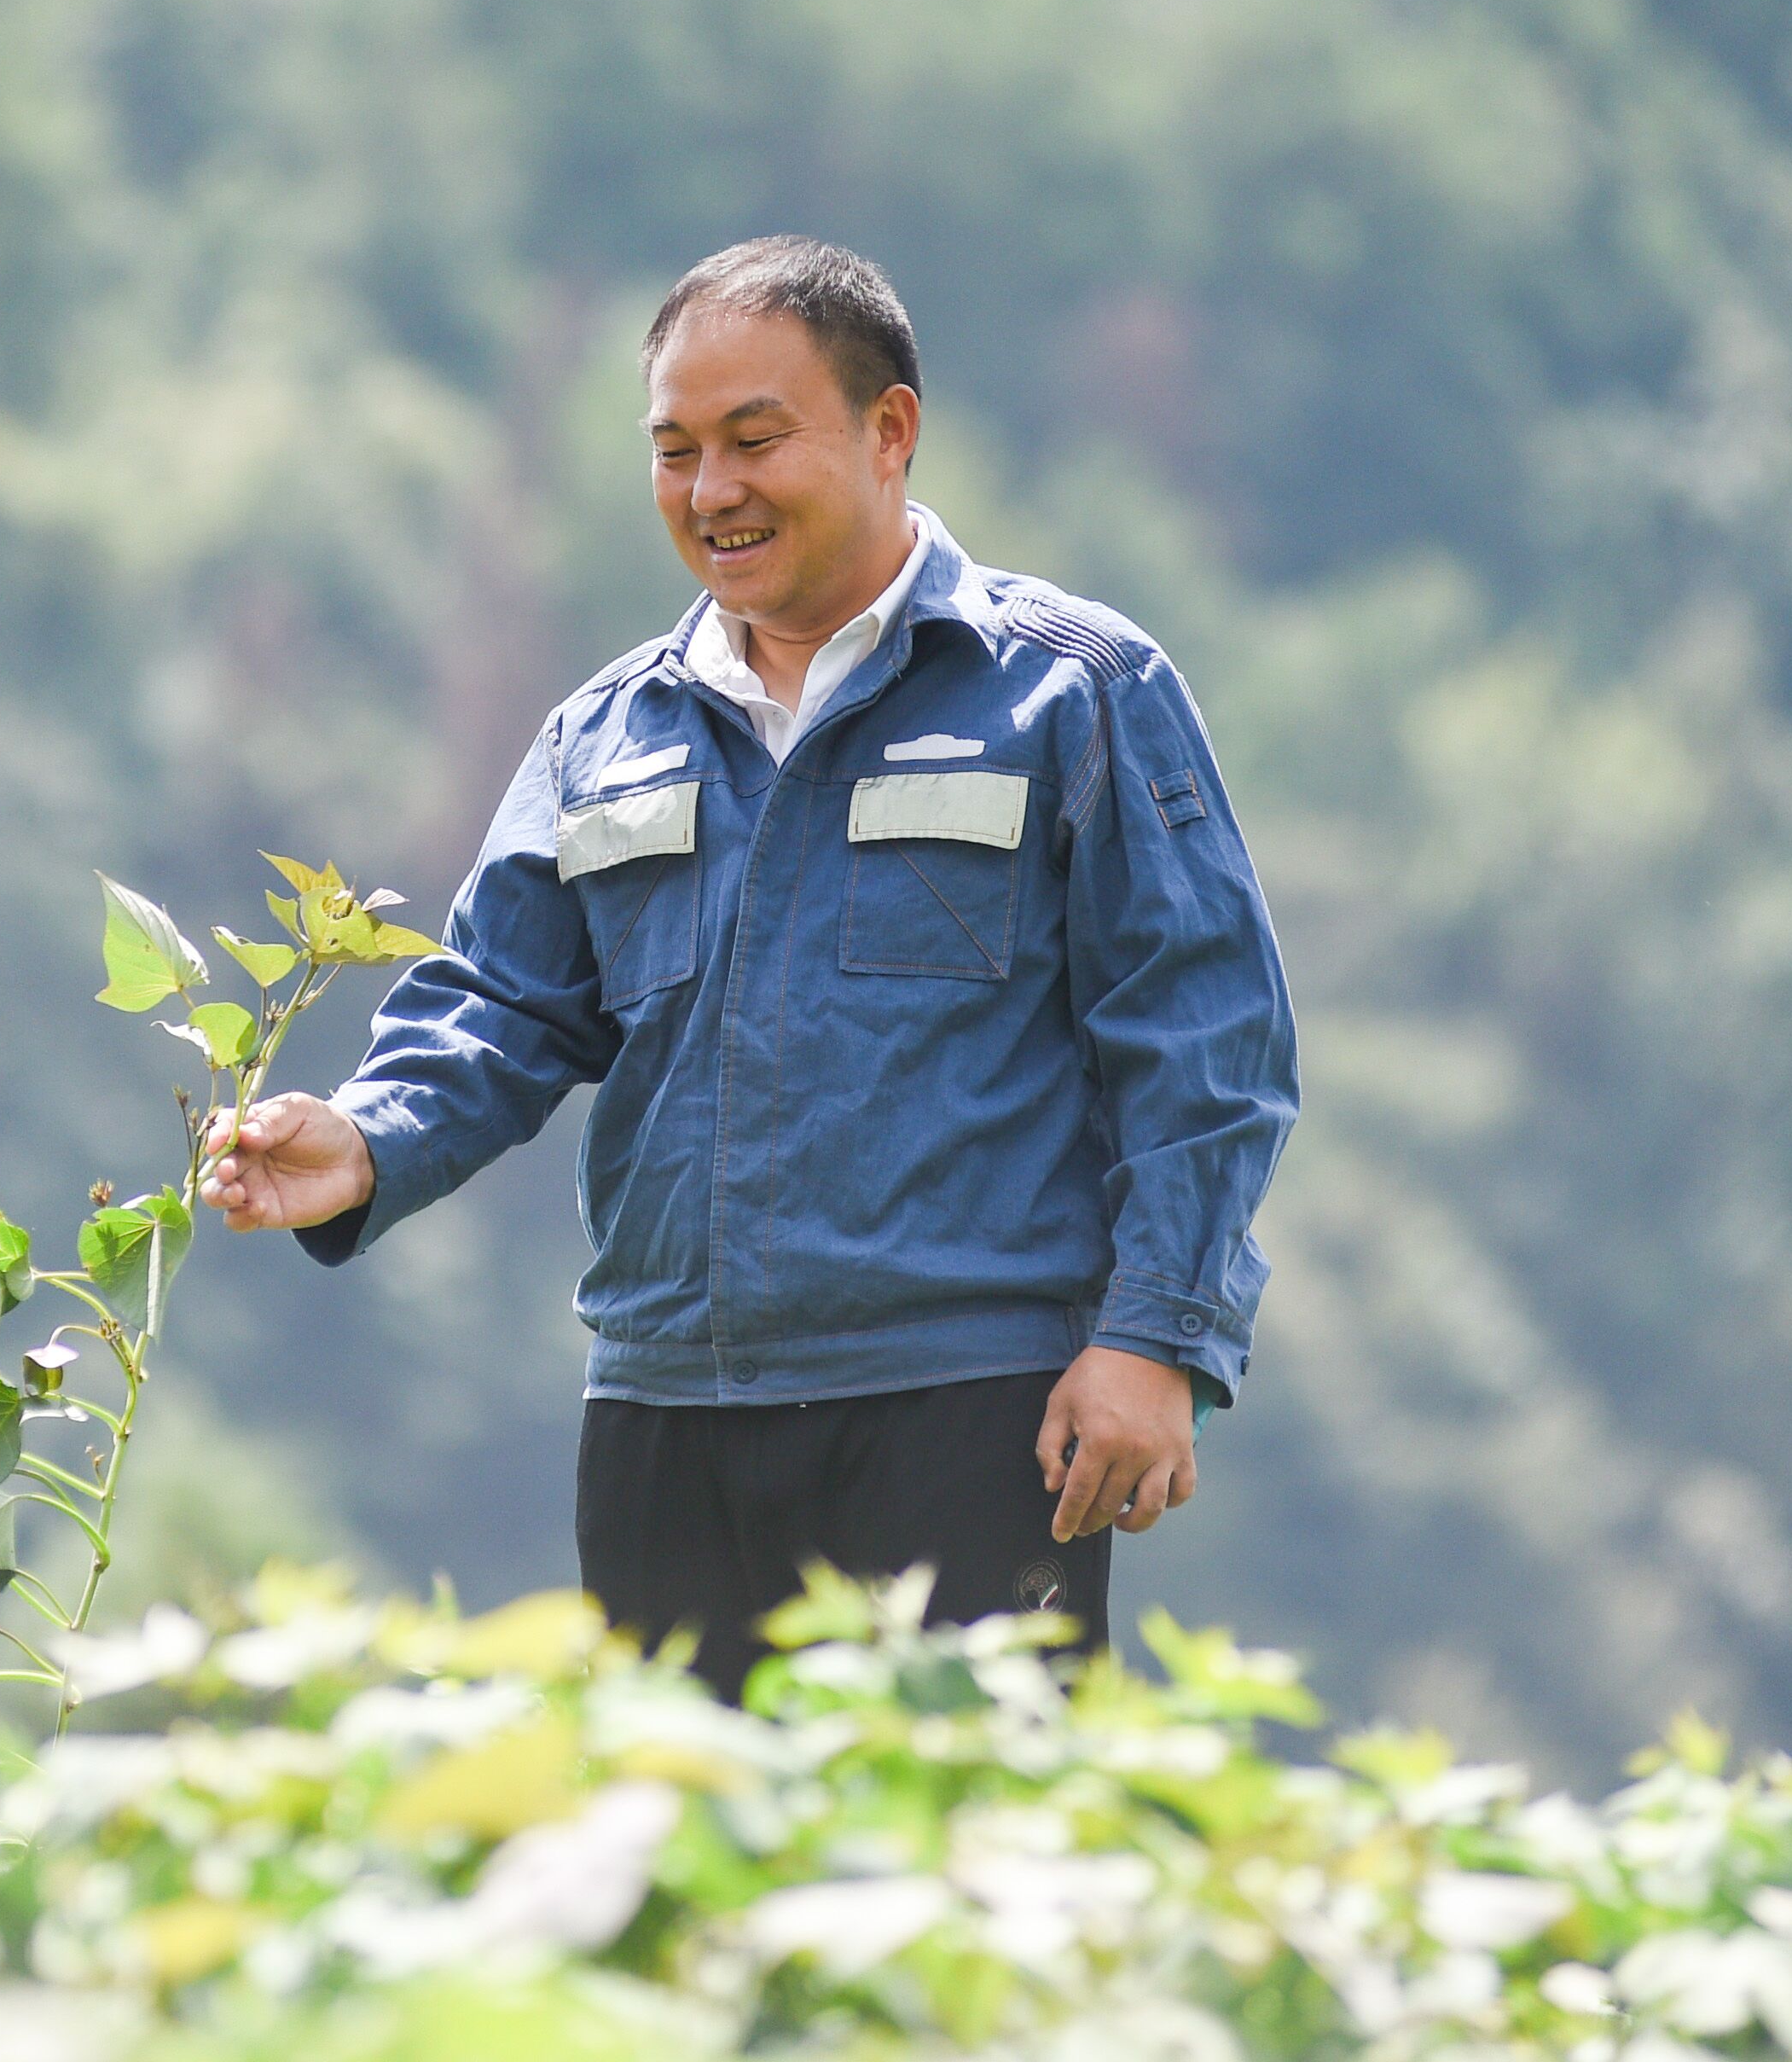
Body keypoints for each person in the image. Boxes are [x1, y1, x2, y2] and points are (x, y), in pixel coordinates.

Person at [202, 240, 1296, 1684]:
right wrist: (363, 1136)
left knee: (963, 1876)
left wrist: (1156, 1340)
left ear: (888, 430)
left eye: (754, 442)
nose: (712, 491)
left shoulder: (1072, 690)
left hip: (967, 1409)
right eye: (674, 451)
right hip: (668, 1421)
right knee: (682, 1874)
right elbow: (503, 1003)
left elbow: (1208, 1038)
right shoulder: (606, 734)